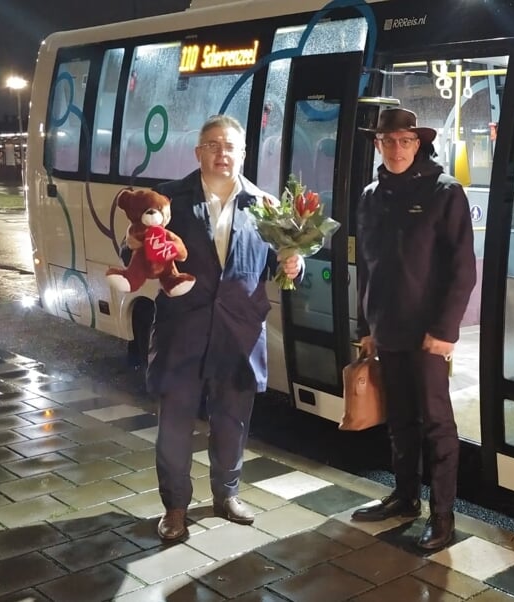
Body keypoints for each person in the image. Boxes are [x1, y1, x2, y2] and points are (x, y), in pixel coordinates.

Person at [145, 114, 302, 542]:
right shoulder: (169, 201)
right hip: (182, 331)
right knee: (174, 425)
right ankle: (175, 507)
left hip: (239, 333)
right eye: (213, 145)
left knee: (232, 421)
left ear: (244, 153)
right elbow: (140, 247)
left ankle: (226, 495)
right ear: (199, 153)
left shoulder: (267, 206)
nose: (222, 153)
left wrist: (294, 263)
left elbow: (280, 264)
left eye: (230, 146)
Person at [350, 108, 477, 552]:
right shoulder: (370, 194)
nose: (397, 149)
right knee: (400, 419)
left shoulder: (445, 193)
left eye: (405, 140)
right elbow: (366, 267)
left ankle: (443, 516)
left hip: (428, 333)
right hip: (387, 328)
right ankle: (405, 498)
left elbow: (463, 270)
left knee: (437, 424)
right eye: (388, 141)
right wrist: (366, 325)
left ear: (419, 144)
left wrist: (444, 331)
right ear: (377, 145)